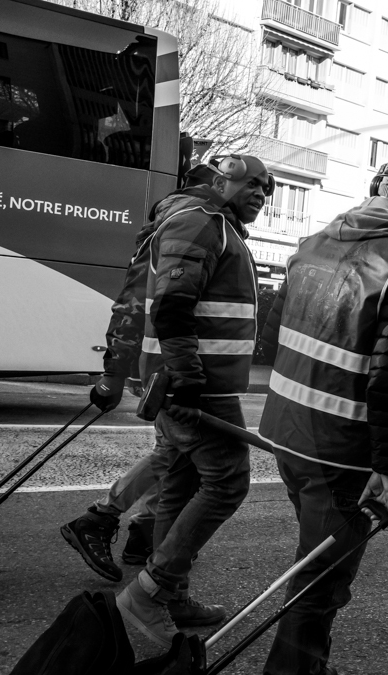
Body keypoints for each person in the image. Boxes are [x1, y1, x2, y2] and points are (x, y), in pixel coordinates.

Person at [254, 161, 388, 675]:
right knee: (322, 576)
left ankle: (308, 668)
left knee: (313, 558)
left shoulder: (317, 241)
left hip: (287, 429)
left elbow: (275, 334)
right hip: (341, 446)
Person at [113, 154, 274, 646]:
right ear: (221, 180)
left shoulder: (216, 226)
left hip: (194, 382)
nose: (261, 193)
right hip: (197, 386)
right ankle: (151, 592)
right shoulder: (201, 222)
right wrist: (186, 377)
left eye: (267, 188)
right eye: (252, 183)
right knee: (227, 482)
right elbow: (172, 304)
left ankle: (172, 596)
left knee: (181, 485)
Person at [59, 161, 226, 582]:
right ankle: (102, 518)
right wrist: (114, 375)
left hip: (163, 365)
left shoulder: (172, 222)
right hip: (169, 369)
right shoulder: (192, 223)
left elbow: (132, 303)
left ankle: (141, 531)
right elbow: (141, 303)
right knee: (174, 454)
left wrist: (117, 373)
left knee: (175, 455)